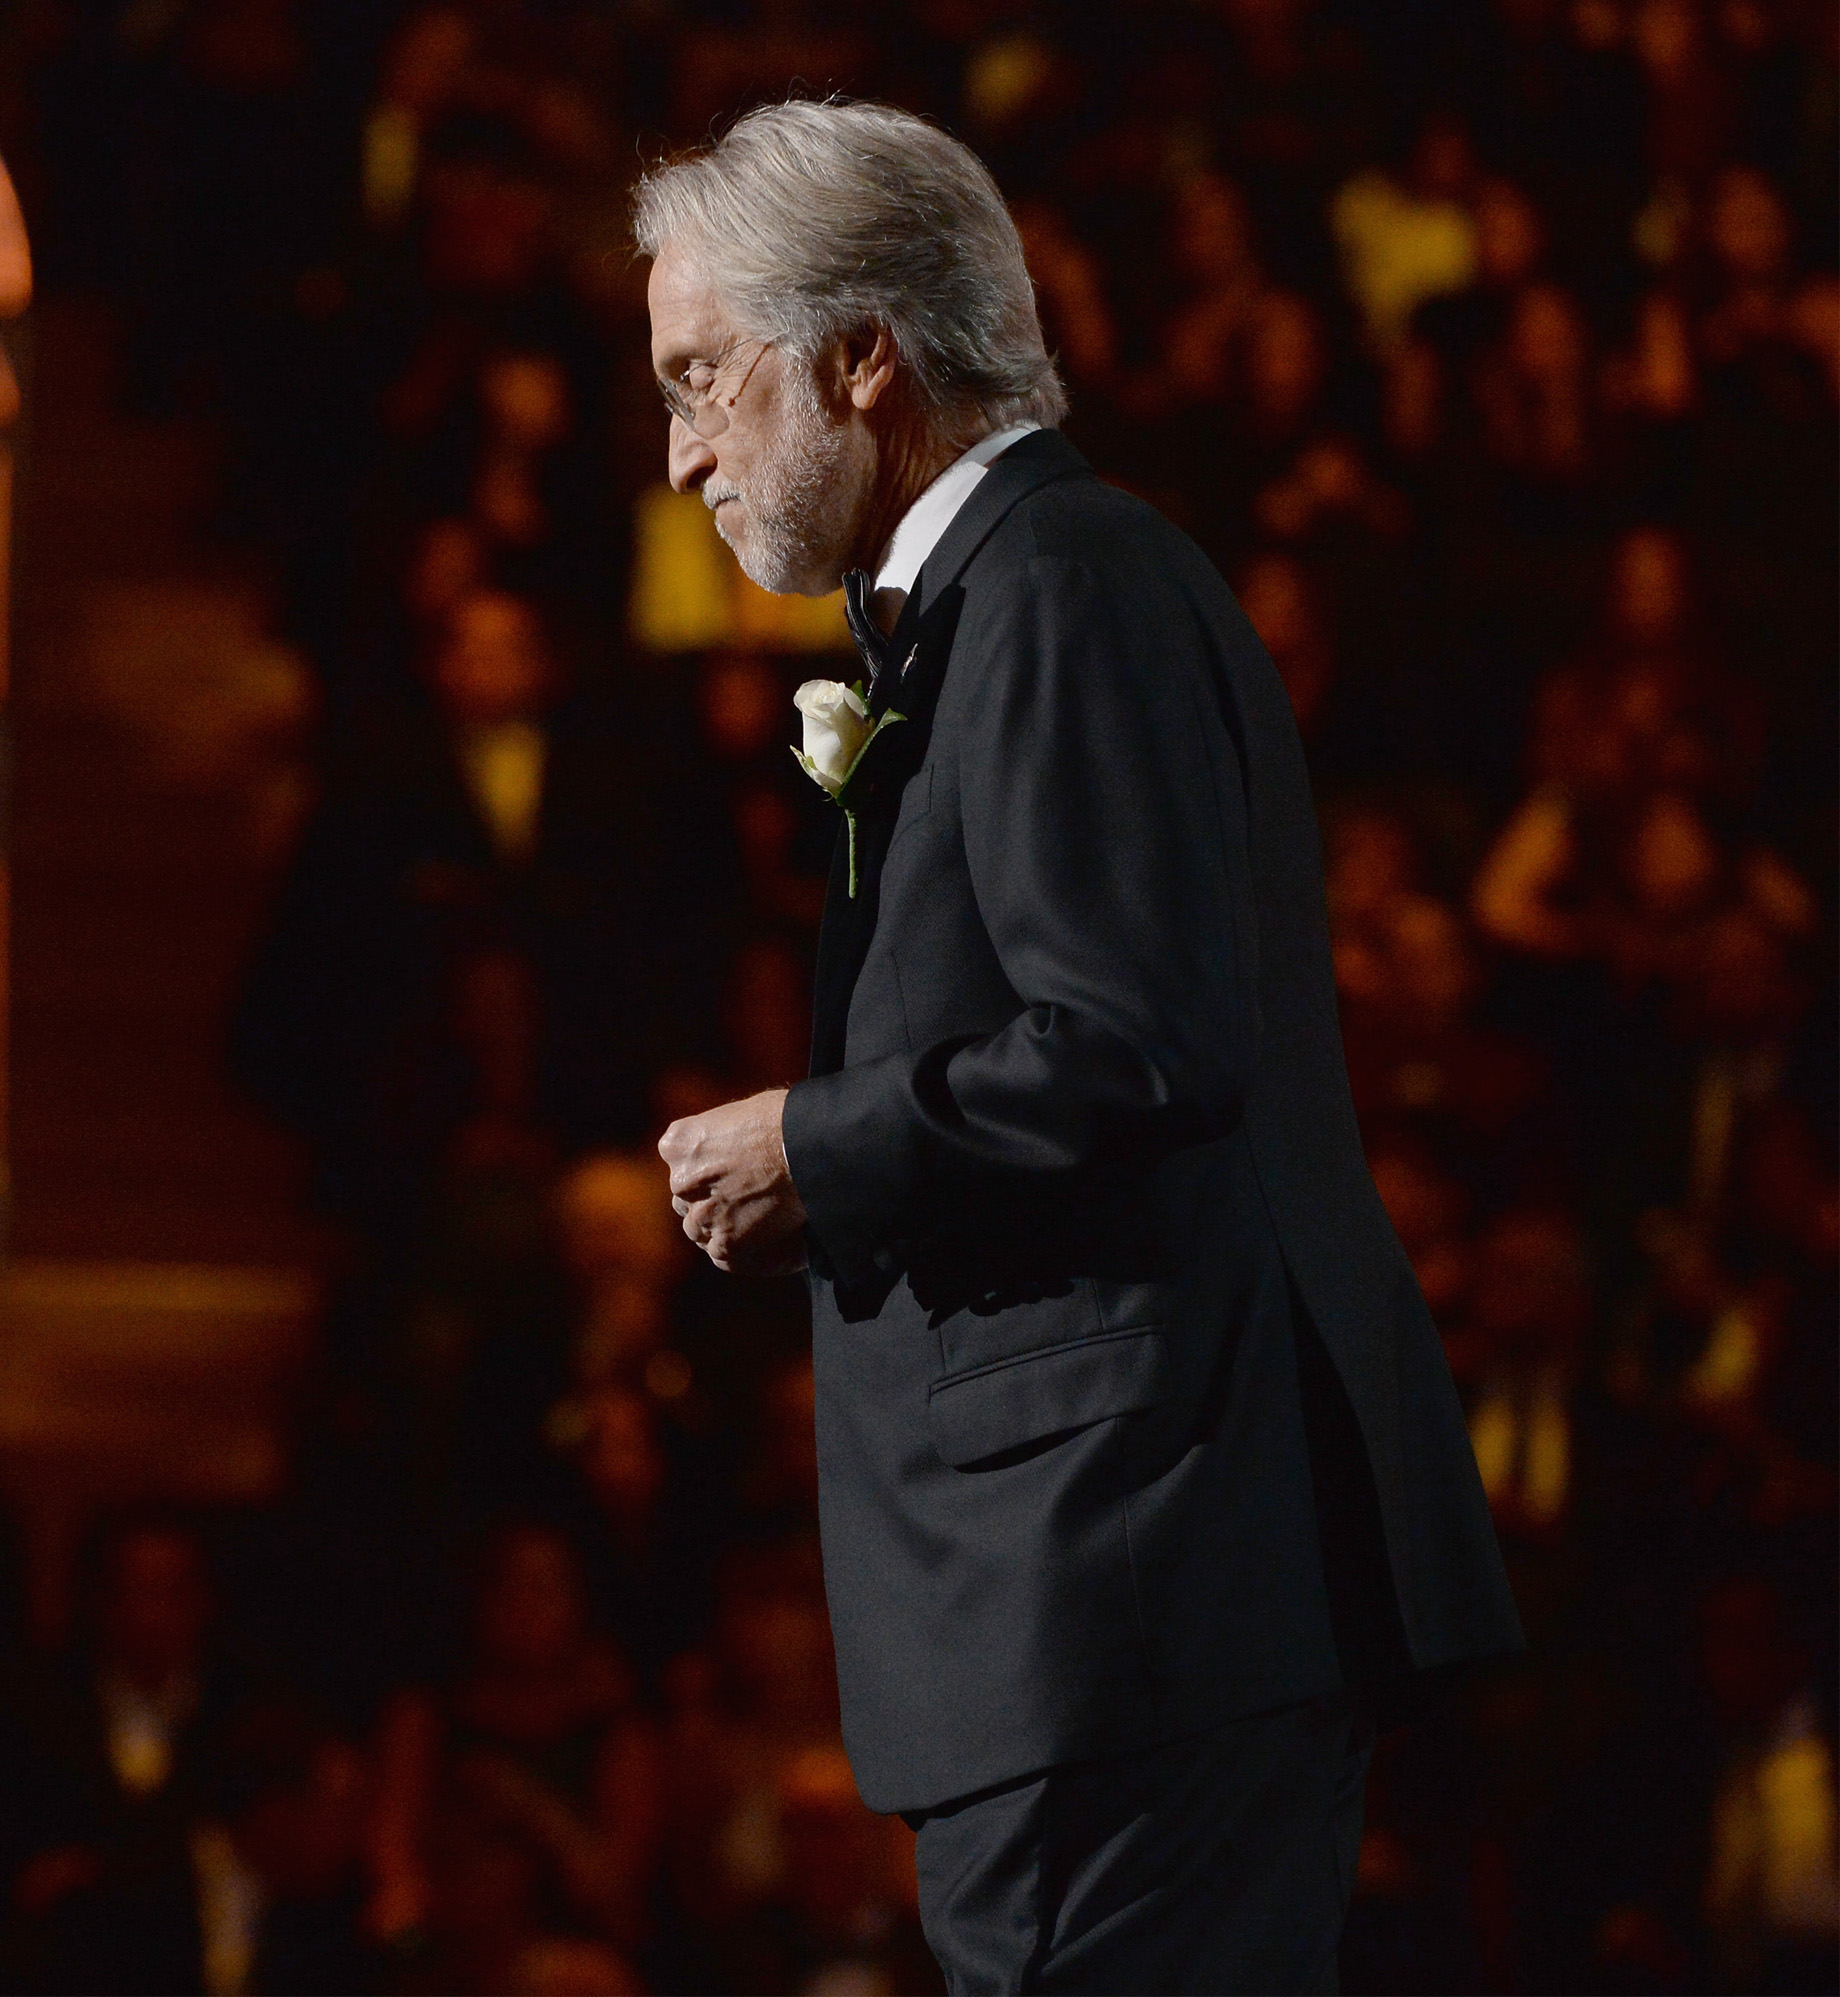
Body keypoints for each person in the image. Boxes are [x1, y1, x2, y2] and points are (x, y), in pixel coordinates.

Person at [633, 101, 1521, 1992]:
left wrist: (826, 1144)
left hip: (1132, 1595)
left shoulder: (1063, 585)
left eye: (705, 375)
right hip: (1116, 1609)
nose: (685, 445)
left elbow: (1137, 1031)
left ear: (862, 352)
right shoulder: (1005, 600)